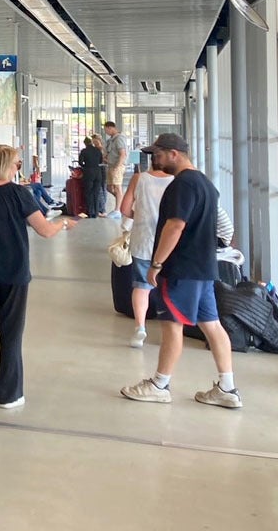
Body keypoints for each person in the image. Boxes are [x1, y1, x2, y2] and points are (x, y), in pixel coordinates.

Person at [121, 134, 241, 408]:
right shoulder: (206, 184)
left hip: (181, 268)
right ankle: (227, 387)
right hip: (203, 267)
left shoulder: (182, 185)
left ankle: (159, 384)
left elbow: (175, 226)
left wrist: (157, 263)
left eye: (158, 154)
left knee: (171, 325)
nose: (155, 159)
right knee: (212, 325)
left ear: (174, 153)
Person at [0, 144, 69, 408]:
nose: (18, 168)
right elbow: (45, 230)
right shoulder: (18, 193)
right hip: (13, 270)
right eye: (17, 163)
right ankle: (8, 393)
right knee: (11, 334)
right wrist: (64, 223)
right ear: (5, 165)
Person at [120, 157, 173, 348]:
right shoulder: (177, 180)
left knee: (141, 286)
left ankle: (140, 328)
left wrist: (141, 215)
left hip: (143, 239)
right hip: (169, 241)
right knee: (168, 286)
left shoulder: (139, 178)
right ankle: (170, 331)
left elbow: (124, 208)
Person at [102, 121, 129, 219]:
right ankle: (121, 201)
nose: (106, 132)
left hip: (117, 166)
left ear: (110, 128)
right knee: (109, 187)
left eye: (106, 130)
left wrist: (117, 167)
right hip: (110, 165)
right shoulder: (111, 140)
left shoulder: (119, 139)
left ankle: (117, 210)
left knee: (117, 187)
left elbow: (122, 154)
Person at [78, 136, 105, 218]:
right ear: (91, 142)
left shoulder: (84, 151)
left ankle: (90, 212)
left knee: (88, 192)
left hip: (88, 172)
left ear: (85, 143)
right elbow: (101, 161)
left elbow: (80, 162)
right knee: (96, 193)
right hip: (98, 172)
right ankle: (96, 212)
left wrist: (85, 166)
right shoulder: (97, 150)